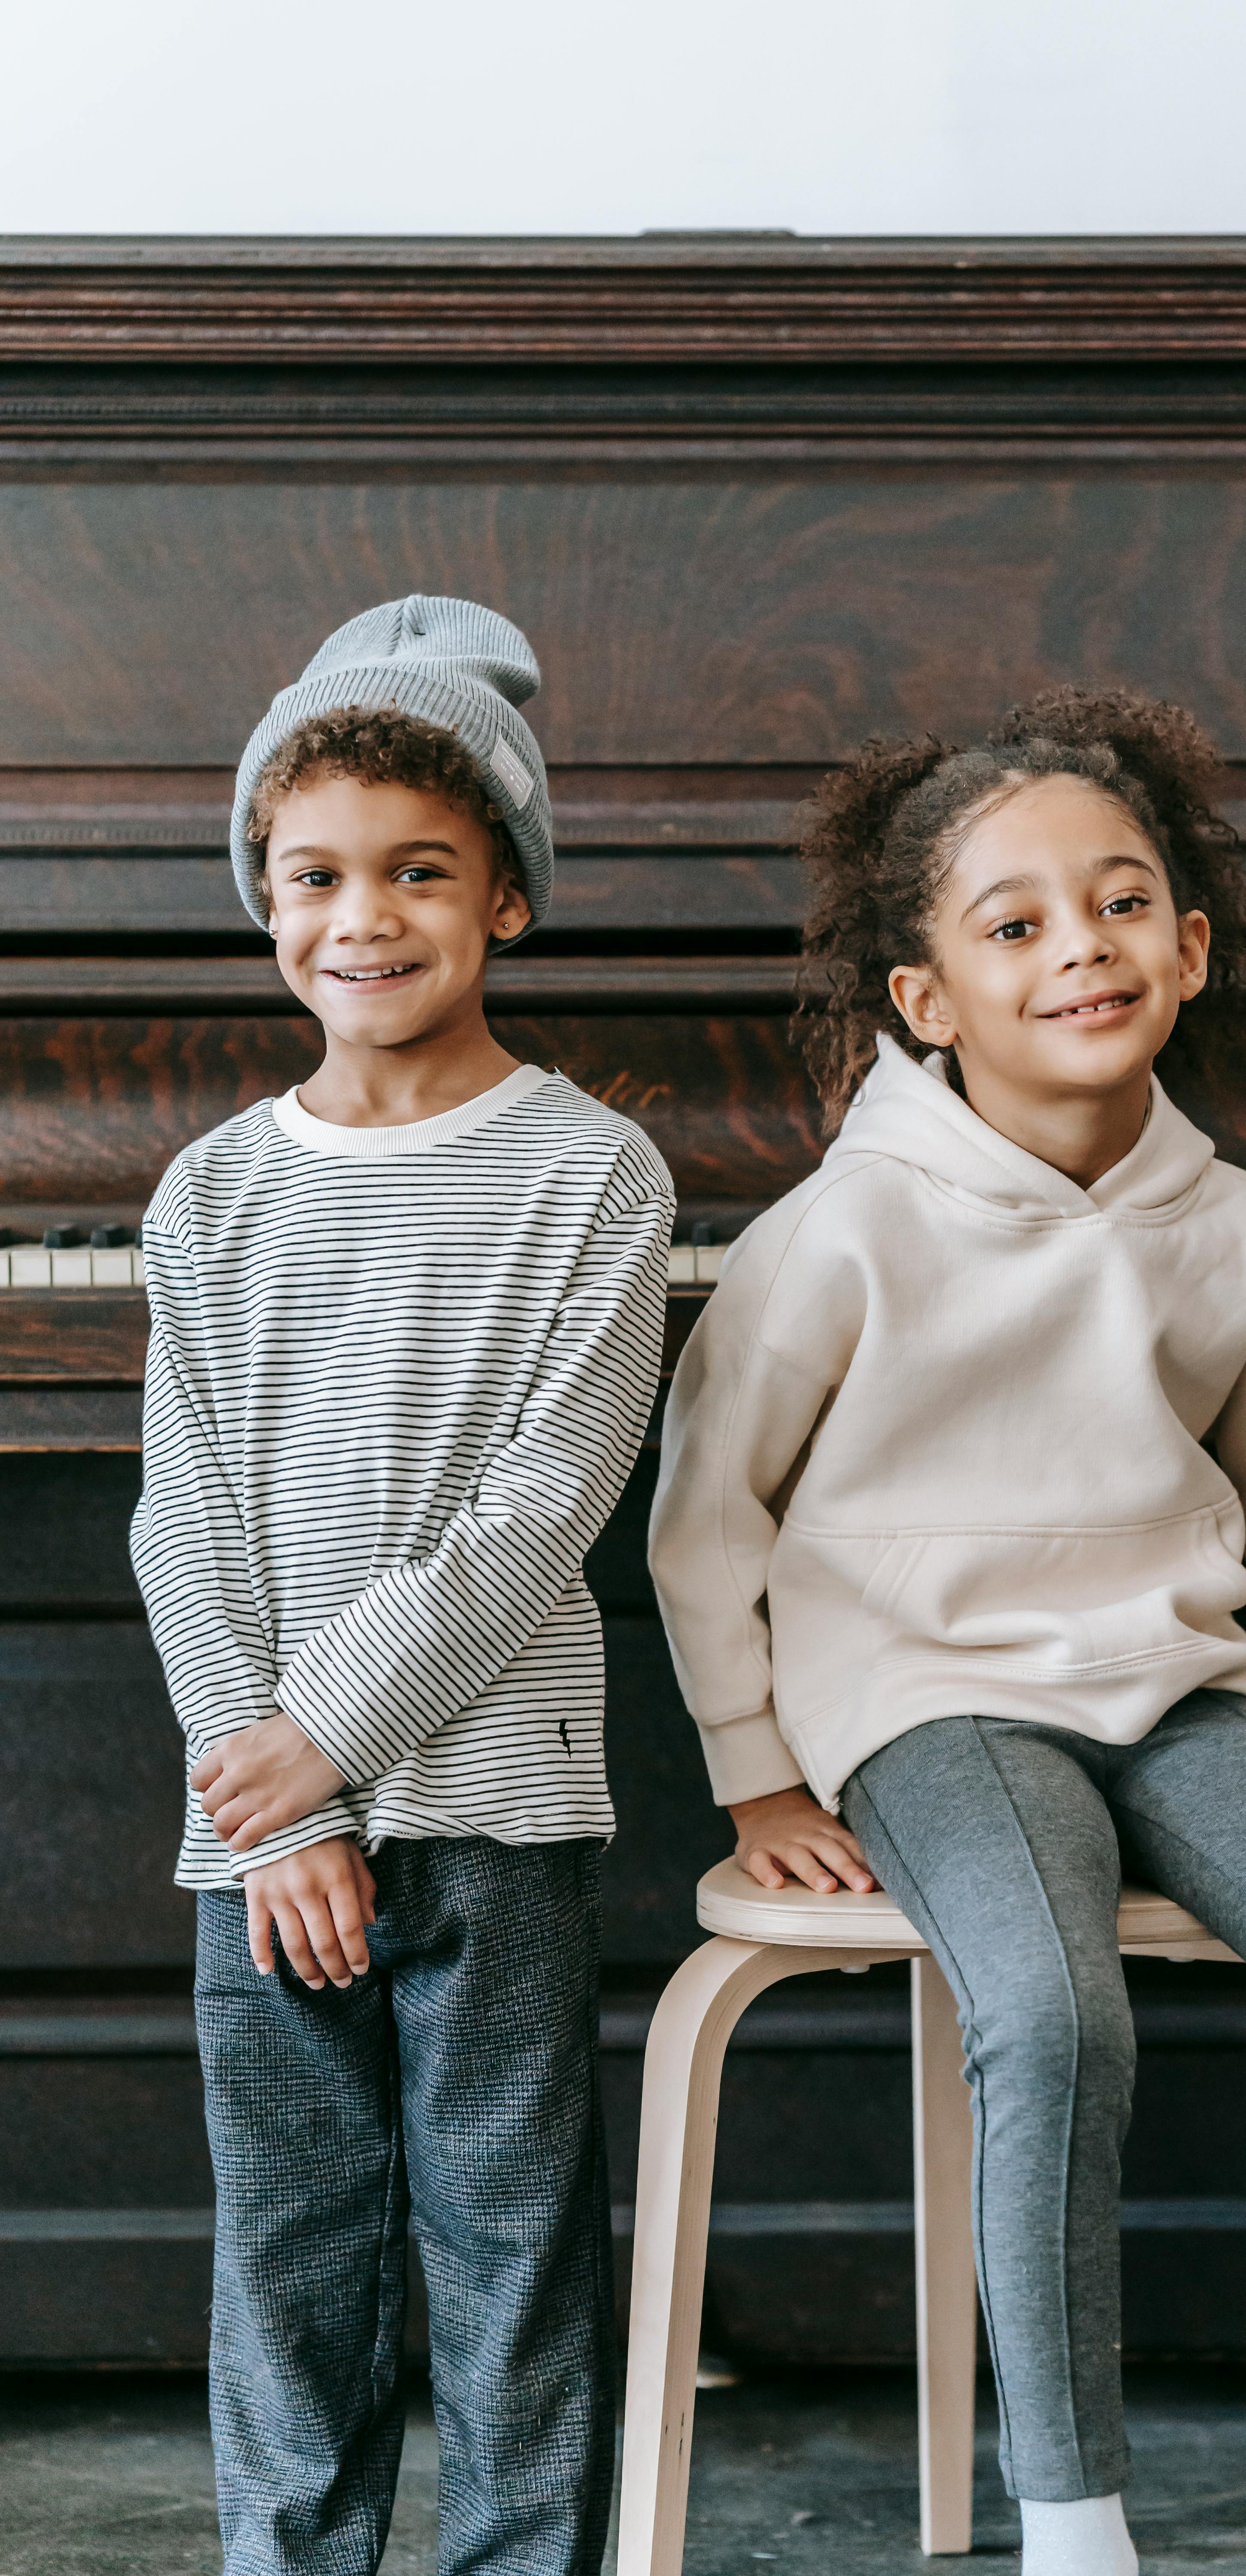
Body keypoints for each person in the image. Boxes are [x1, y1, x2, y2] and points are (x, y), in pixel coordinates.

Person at [649, 688, 1246, 2576]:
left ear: (1186, 951)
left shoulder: (1234, 1229)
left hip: (1180, 1691)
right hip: (935, 1704)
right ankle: (1072, 2523)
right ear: (926, 998)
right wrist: (755, 1766)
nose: (1079, 950)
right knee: (1046, 2011)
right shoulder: (843, 1233)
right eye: (1013, 923)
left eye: (1120, 907)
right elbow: (707, 1513)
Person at [131, 596, 672, 2576]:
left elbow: (541, 1510)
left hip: (497, 1810)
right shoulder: (213, 1189)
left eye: (417, 874)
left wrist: (327, 1741)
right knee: (293, 2247)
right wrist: (273, 1791)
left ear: (506, 900)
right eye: (315, 877)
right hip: (261, 1831)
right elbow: (181, 1512)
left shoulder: (592, 1175)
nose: (362, 919)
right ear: (266, 901)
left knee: (512, 2240)